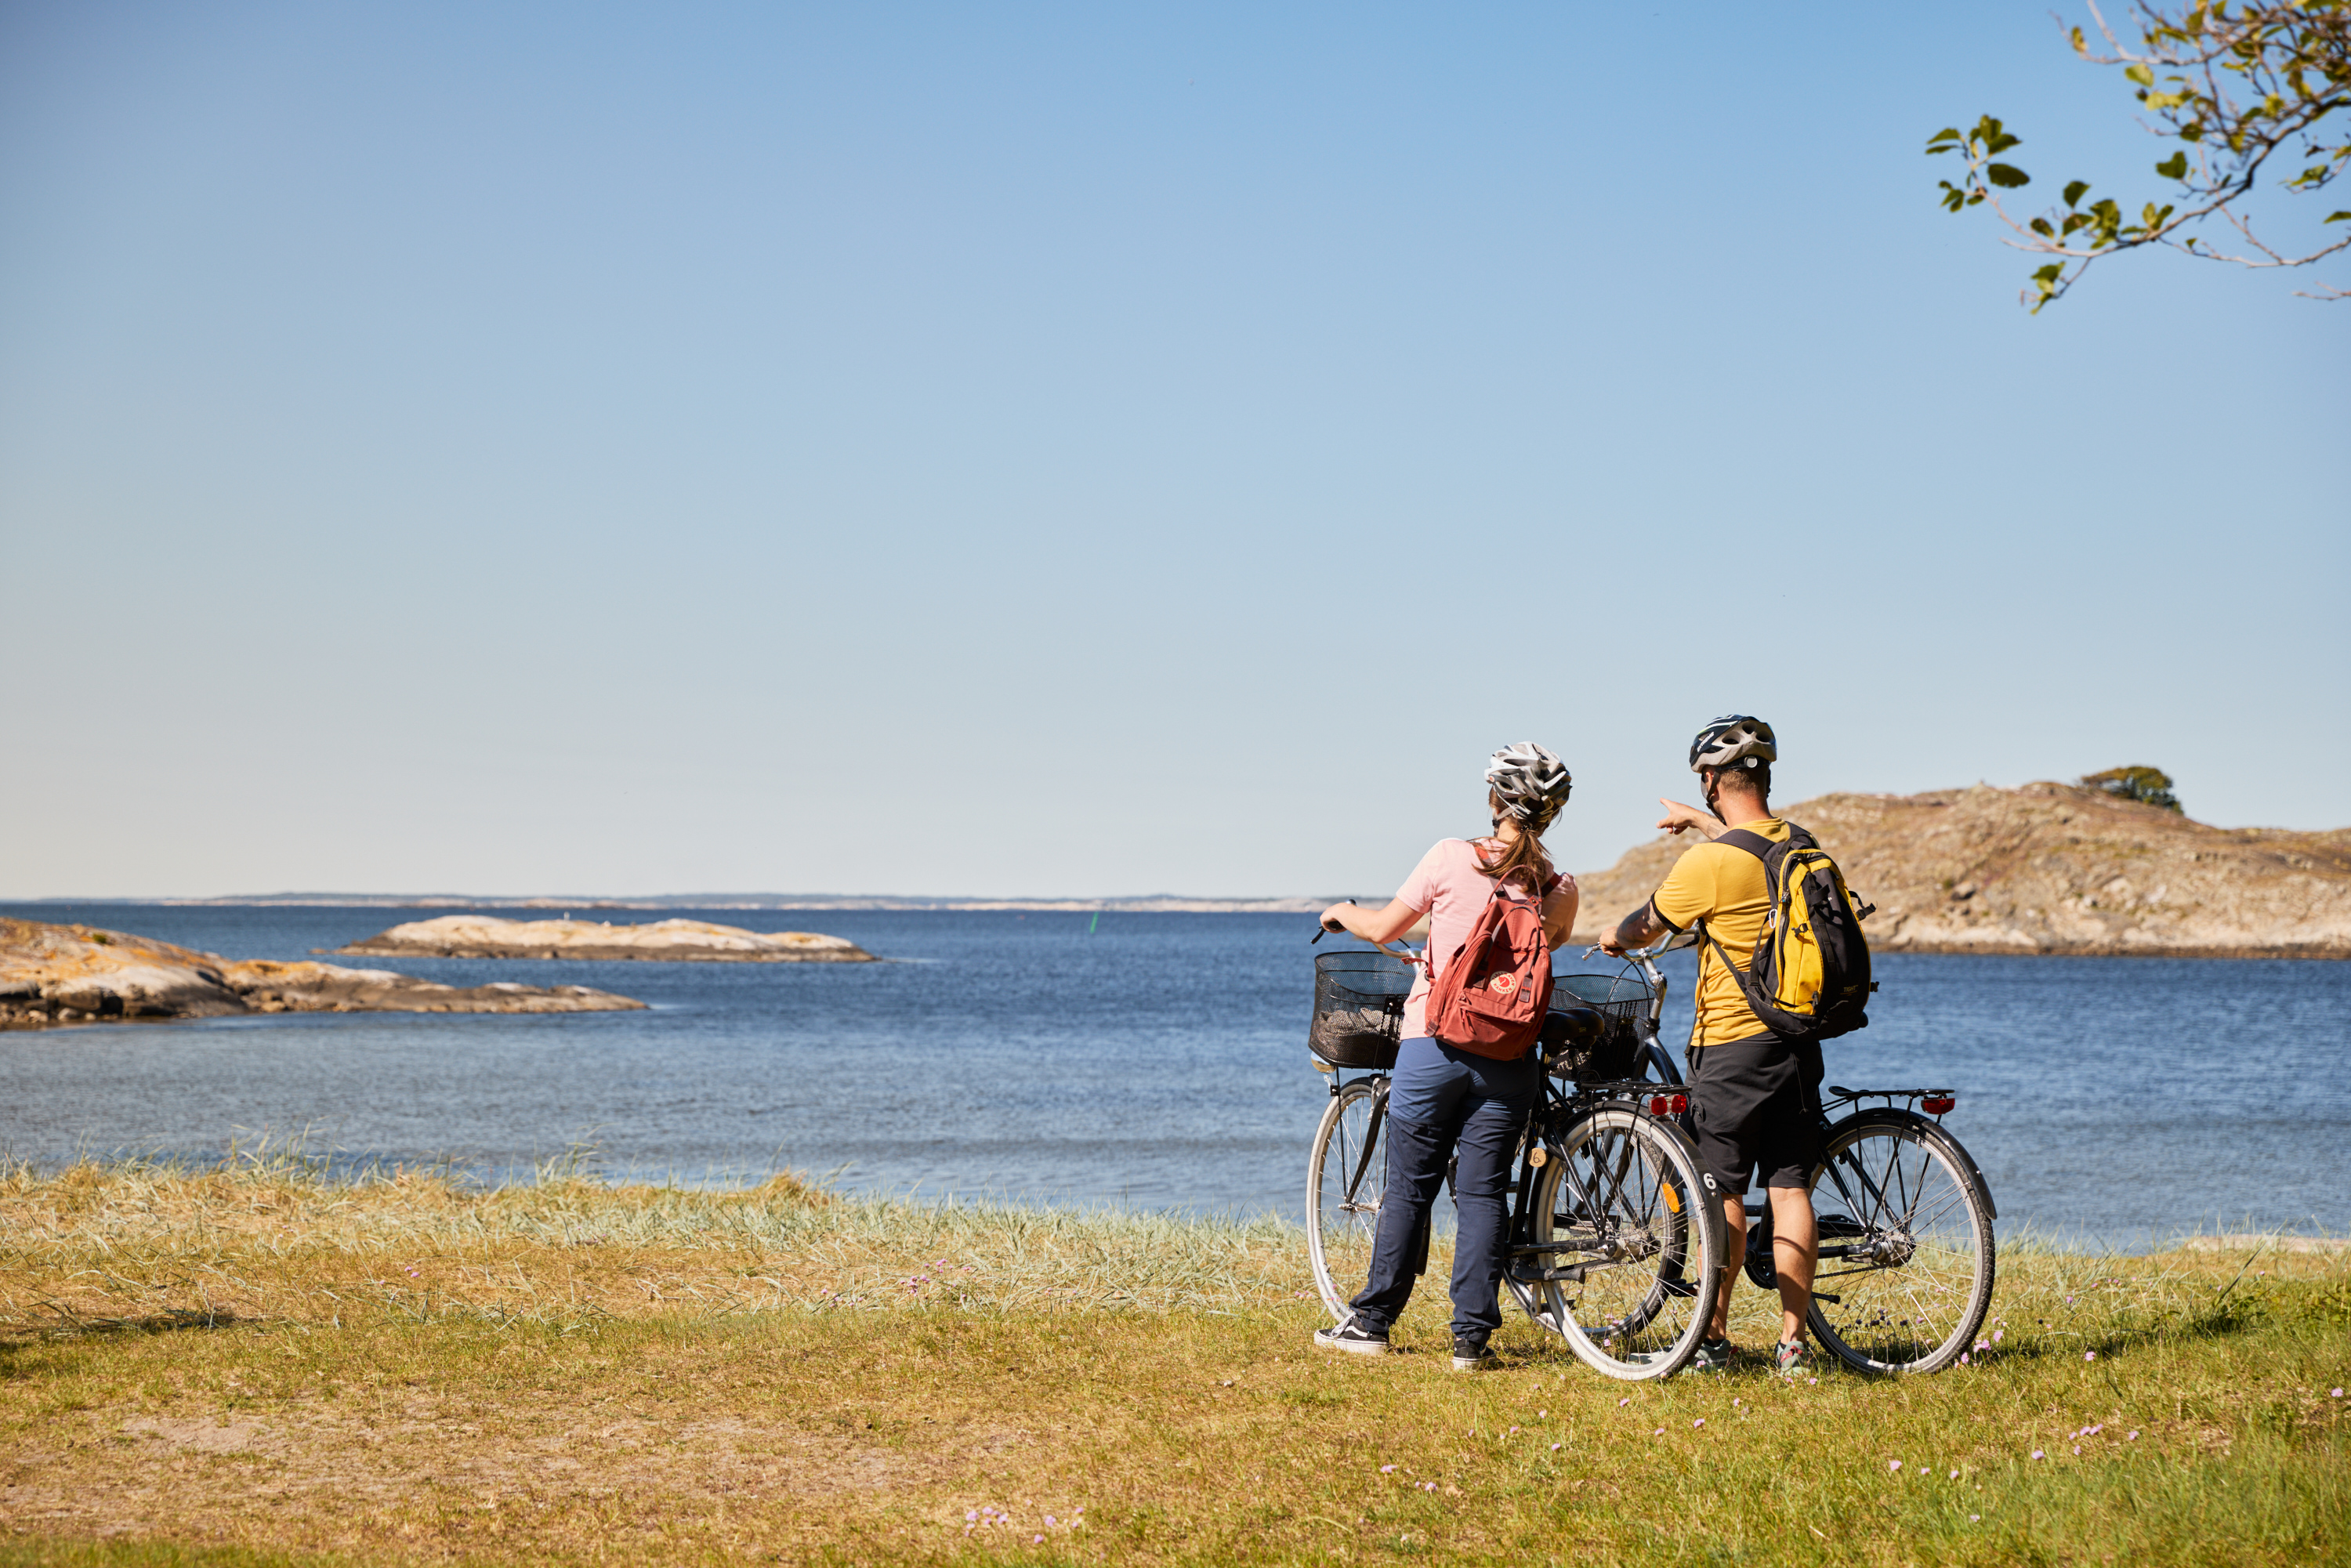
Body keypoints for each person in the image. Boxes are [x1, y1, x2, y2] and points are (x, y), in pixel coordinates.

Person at [1313, 743, 1579, 1371]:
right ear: (1550, 815)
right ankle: (1471, 1342)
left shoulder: (1450, 856)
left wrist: (1341, 912)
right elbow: (1544, 950)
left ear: (1494, 800)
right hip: (1510, 1058)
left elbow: (1383, 928)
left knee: (1409, 1188)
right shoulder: (1559, 887)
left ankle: (1372, 1323)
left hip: (1433, 1045)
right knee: (1483, 1195)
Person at [1601, 714, 1820, 1376]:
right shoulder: (1799, 843)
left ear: (1711, 780)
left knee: (1721, 1190)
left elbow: (1645, 927)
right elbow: (1746, 844)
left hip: (1731, 1046)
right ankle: (1793, 1344)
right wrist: (1700, 821)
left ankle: (1714, 1338)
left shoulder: (1708, 863)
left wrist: (1612, 936)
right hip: (1797, 1040)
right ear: (1765, 776)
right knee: (1790, 1188)